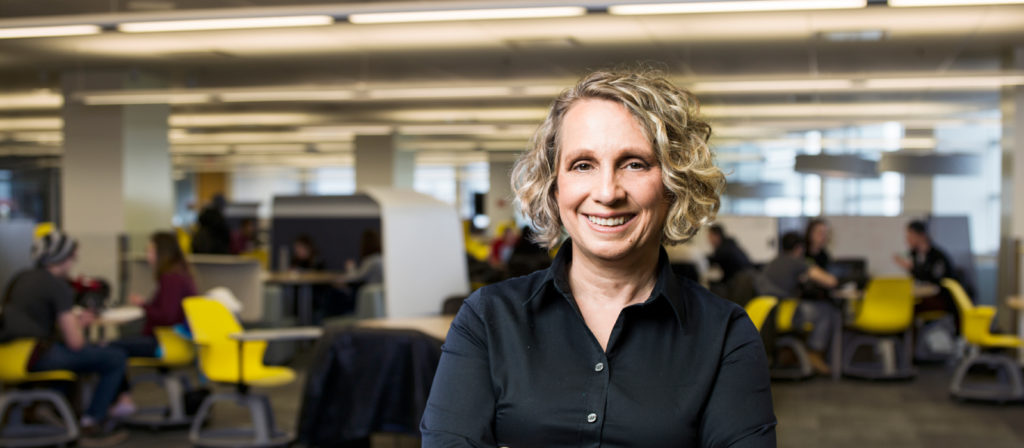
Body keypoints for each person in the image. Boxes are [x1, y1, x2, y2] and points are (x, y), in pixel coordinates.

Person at [421, 70, 776, 446]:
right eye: (583, 165)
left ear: (673, 186)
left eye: (634, 163)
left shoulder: (725, 335)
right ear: (554, 187)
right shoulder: (487, 320)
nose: (607, 192)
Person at [0, 231, 129, 446]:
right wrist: (82, 323)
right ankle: (91, 422)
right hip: (36, 357)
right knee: (114, 357)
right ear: (63, 257)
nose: (73, 263)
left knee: (65, 356)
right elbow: (76, 342)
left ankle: (45, 410)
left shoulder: (19, 279)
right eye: (72, 257)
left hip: (8, 357)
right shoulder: (58, 286)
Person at [108, 231, 197, 414]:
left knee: (110, 349)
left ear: (161, 253)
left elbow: (167, 316)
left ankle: (123, 399)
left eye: (150, 250)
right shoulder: (181, 275)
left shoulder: (170, 279)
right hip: (179, 341)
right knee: (117, 345)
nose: (147, 255)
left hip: (166, 343)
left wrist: (144, 307)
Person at [756, 231, 838, 375]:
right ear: (799, 248)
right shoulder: (797, 262)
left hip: (767, 315)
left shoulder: (773, 262)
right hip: (786, 312)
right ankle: (815, 352)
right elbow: (830, 281)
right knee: (826, 310)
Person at [893, 220, 959, 331]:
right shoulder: (915, 254)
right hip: (924, 297)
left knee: (905, 309)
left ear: (921, 235)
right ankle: (905, 343)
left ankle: (909, 344)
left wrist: (911, 268)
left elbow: (937, 281)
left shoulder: (937, 256)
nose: (907, 240)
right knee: (902, 306)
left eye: (910, 236)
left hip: (942, 299)